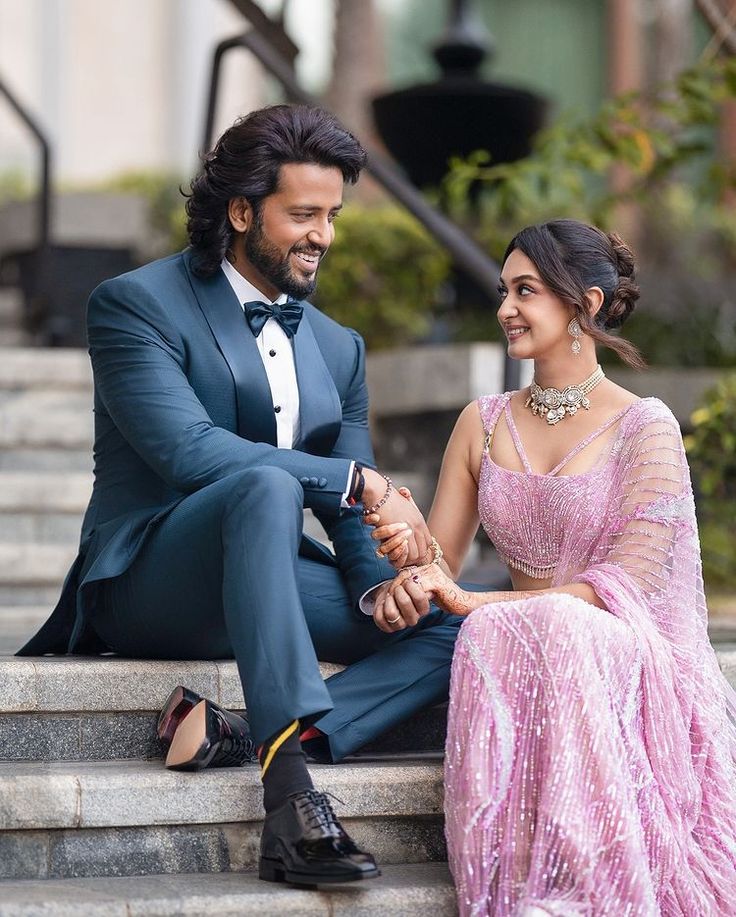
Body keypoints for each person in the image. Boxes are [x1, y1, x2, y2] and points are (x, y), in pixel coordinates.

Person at [16, 104, 465, 887]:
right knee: (256, 481)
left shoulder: (337, 346)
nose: (323, 234)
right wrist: (363, 481)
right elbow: (191, 454)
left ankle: (237, 726)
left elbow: (348, 518)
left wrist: (378, 586)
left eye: (331, 215)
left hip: (268, 581)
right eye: (303, 214)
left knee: (458, 621)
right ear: (241, 210)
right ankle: (290, 798)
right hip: (152, 578)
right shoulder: (134, 304)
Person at [369, 219, 736, 914]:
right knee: (503, 632)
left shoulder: (644, 426)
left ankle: (580, 884)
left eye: (526, 290)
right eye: (504, 289)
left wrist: (473, 601)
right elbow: (437, 559)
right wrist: (407, 577)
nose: (506, 307)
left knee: (540, 625)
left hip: (624, 651)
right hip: (525, 641)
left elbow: (620, 590)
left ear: (586, 304)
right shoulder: (481, 422)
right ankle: (521, 884)